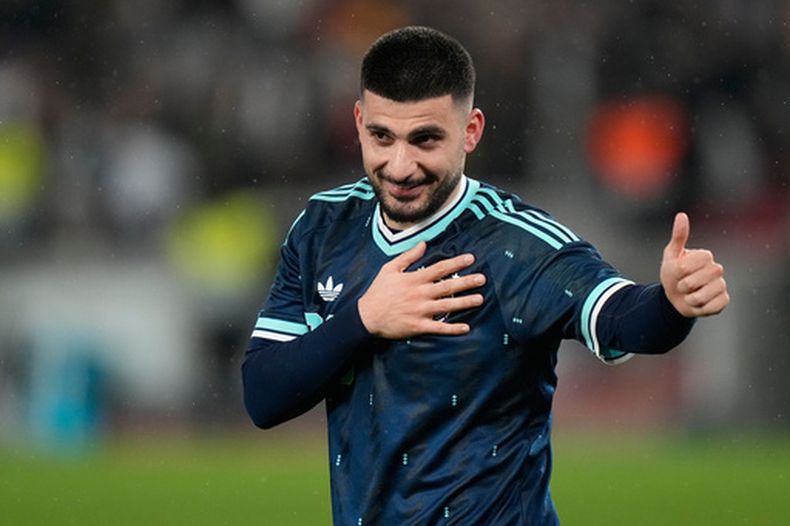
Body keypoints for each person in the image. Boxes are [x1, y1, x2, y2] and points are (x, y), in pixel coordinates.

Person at [242, 26, 729, 525]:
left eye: (425, 139)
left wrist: (672, 303)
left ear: (471, 130)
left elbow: (623, 319)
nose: (401, 166)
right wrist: (364, 319)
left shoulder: (517, 245)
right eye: (382, 137)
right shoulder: (323, 227)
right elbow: (263, 396)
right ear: (359, 123)